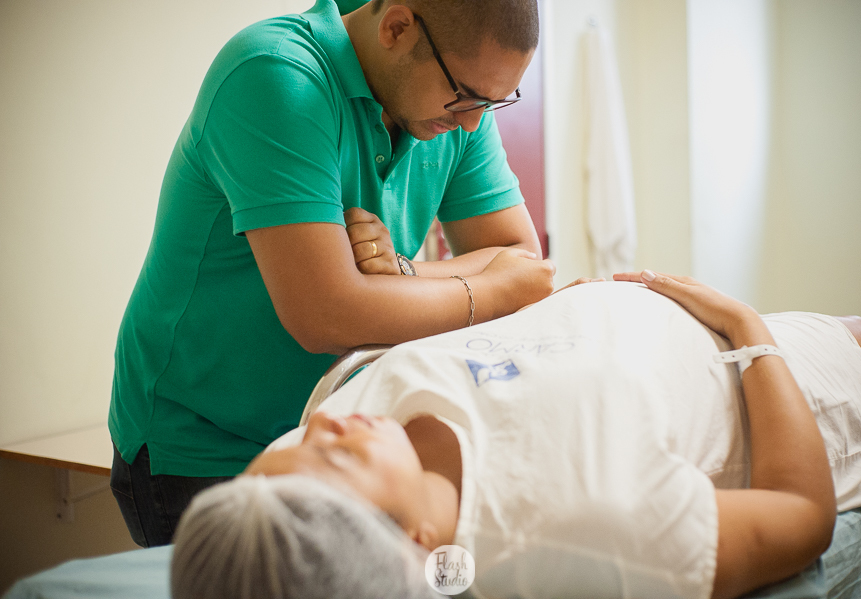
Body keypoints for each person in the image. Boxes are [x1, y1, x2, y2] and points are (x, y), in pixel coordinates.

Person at [108, 0, 557, 548]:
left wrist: (404, 274)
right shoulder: (275, 73)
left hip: (330, 431)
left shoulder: (457, 102)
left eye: (493, 102)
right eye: (465, 95)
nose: (472, 121)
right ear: (396, 26)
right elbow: (324, 315)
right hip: (204, 446)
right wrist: (493, 291)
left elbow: (518, 256)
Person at [169, 271, 861, 599]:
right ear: (412, 542)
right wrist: (747, 330)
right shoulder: (585, 527)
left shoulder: (287, 485)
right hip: (790, 375)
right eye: (327, 458)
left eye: (288, 452)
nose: (321, 423)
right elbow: (802, 518)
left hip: (673, 333)